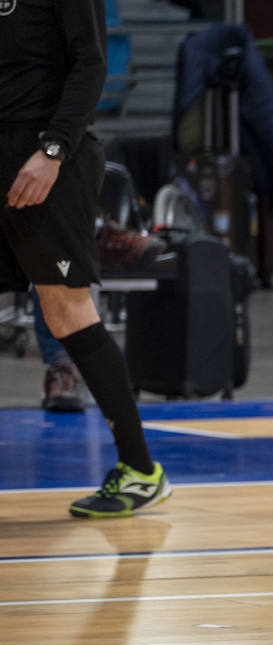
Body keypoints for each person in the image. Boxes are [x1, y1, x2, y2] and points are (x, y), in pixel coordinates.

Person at [1, 0, 170, 517]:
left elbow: (92, 64)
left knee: (66, 310)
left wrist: (52, 151)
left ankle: (141, 469)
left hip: (48, 161)